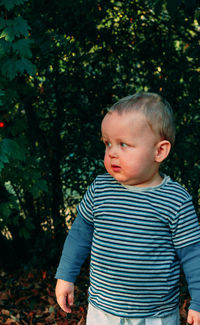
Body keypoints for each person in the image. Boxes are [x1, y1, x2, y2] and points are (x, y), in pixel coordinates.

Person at [55, 92, 200, 325]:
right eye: (108, 143)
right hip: (103, 310)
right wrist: (65, 276)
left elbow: (193, 255)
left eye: (124, 144)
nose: (112, 152)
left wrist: (199, 301)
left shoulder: (175, 200)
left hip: (156, 315)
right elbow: (79, 236)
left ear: (159, 151)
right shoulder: (100, 189)